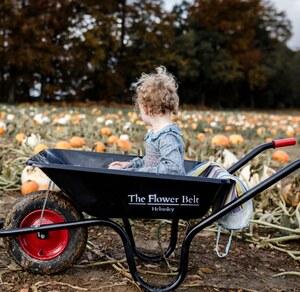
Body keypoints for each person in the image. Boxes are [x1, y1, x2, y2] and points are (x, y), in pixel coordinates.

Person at [108, 66, 186, 175]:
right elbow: (151, 161)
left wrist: (136, 172)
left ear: (146, 108)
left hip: (166, 189)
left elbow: (172, 169)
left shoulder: (167, 137)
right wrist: (130, 165)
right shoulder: (157, 133)